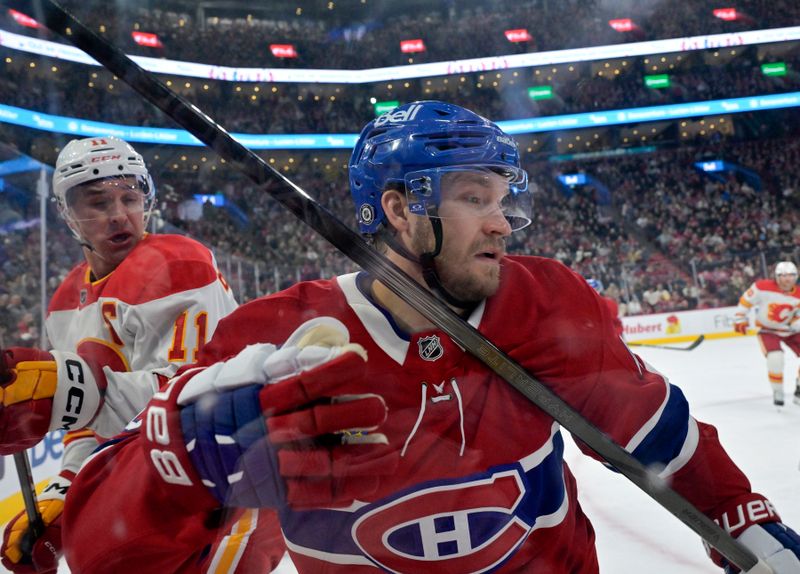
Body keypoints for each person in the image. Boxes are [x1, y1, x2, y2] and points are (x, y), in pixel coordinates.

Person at [59, 102, 800, 573]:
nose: (502, 221)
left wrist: (743, 517)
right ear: (399, 210)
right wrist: (180, 458)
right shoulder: (276, 340)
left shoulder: (544, 302)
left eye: (503, 199)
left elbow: (659, 435)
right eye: (474, 197)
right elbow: (97, 550)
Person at [0, 137, 284, 573]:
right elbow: (84, 427)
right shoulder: (62, 302)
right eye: (97, 202)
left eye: (129, 197)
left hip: (227, 493)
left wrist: (66, 390)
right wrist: (65, 491)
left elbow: (195, 404)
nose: (118, 214)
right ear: (67, 213)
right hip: (148, 497)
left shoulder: (179, 263)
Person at [733, 261, 800, 406]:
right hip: (768, 330)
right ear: (776, 276)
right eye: (783, 275)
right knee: (776, 358)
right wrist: (740, 318)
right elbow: (745, 302)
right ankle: (778, 391)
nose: (787, 279)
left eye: (791, 275)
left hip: (792, 331)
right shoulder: (762, 287)